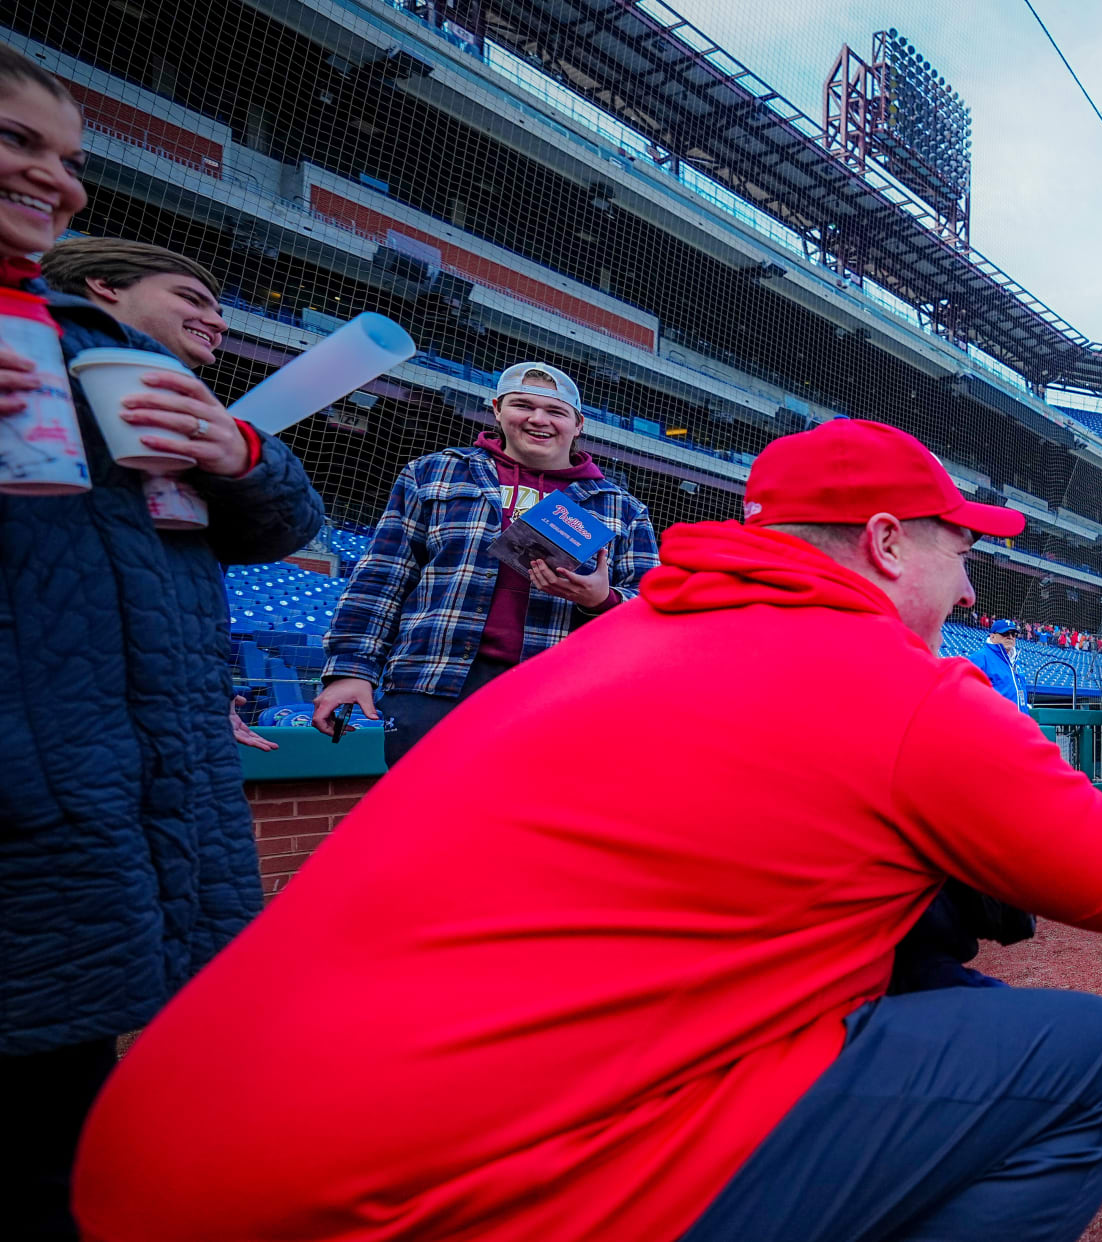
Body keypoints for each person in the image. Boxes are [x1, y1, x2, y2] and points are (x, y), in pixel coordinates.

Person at [75, 418, 1102, 1242]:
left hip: (153, 1156)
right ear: (887, 543)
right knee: (1089, 1061)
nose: (972, 589)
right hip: (400, 1204)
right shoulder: (901, 683)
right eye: (960, 548)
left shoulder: (613, 638)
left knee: (927, 981)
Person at [0, 53, 324, 1242]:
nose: (56, 178)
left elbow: (282, 531)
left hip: (135, 786)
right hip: (47, 789)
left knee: (76, 1116)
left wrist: (241, 452)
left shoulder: (78, 336)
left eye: (71, 158)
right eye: (17, 141)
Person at [311, 361, 658, 766]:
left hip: (554, 693)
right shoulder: (432, 474)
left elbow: (649, 605)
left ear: (578, 424)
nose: (538, 419)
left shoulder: (621, 507)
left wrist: (603, 599)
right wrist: (350, 670)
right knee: (424, 815)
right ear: (496, 409)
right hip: (432, 681)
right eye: (522, 405)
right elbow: (382, 578)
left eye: (556, 412)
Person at [40, 236, 283, 753]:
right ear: (104, 286)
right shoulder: (30, 358)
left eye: (219, 309)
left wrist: (246, 459)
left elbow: (276, 532)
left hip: (171, 712)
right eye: (191, 300)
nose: (217, 322)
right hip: (60, 705)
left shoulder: (199, 409)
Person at [970, 617, 1030, 713]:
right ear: (992, 636)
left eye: (1013, 634)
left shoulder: (1015, 661)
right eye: (1005, 633)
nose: (1010, 637)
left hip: (1018, 724)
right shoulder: (980, 658)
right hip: (995, 724)